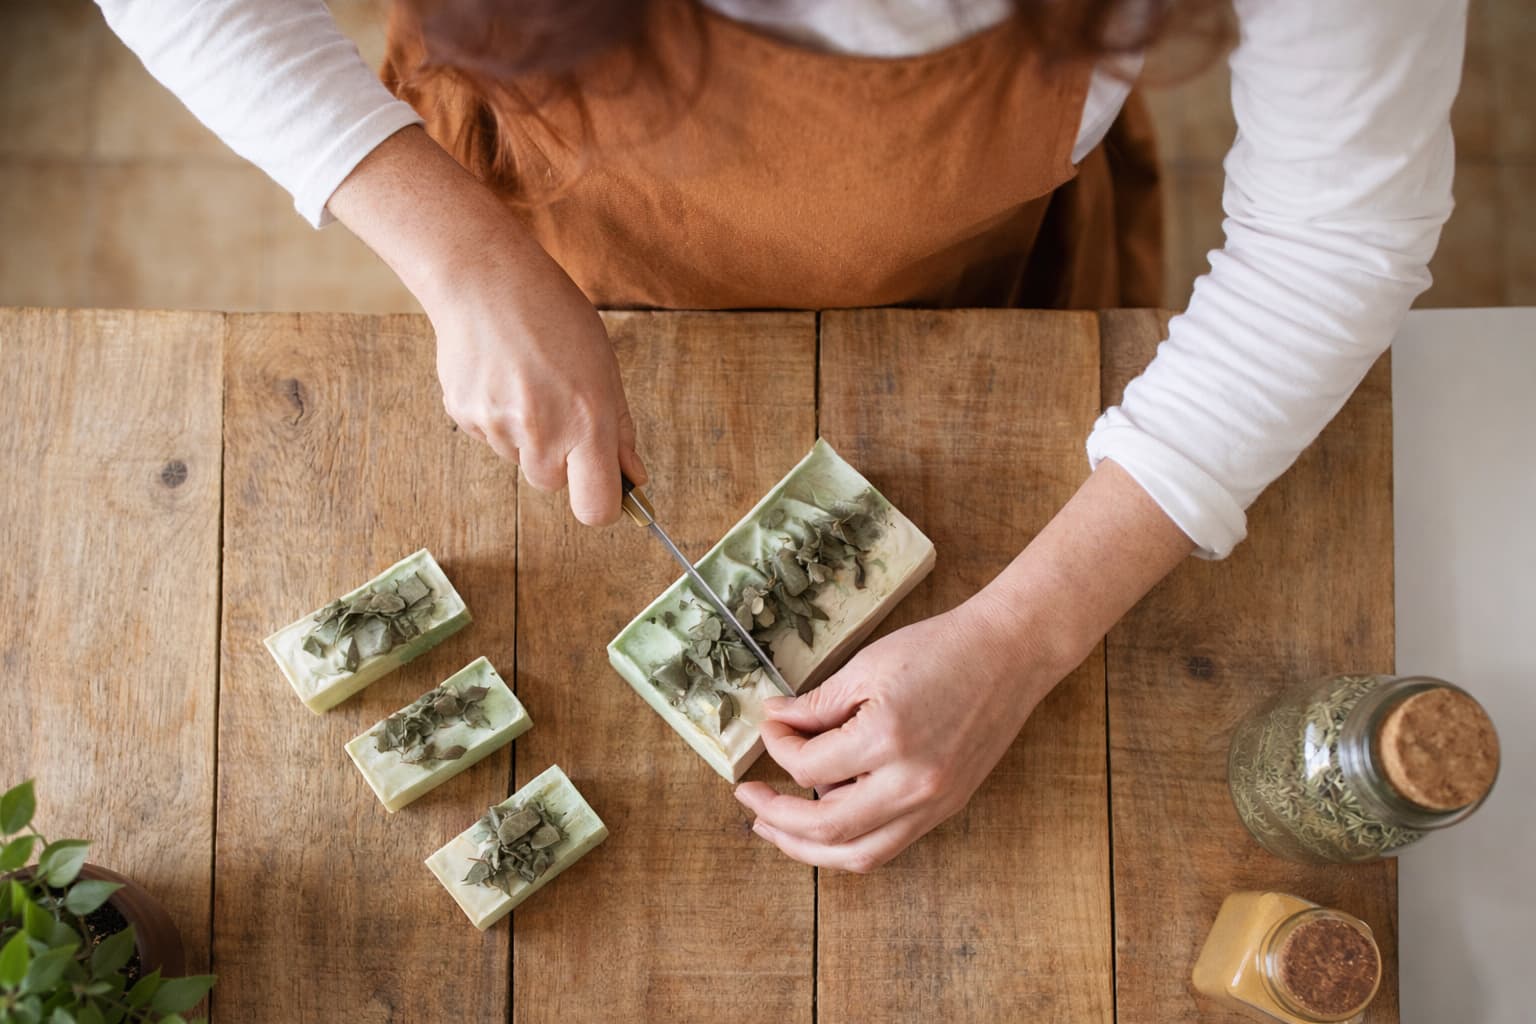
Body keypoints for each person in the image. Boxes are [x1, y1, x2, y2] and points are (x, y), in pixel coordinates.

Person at [96, 0, 1465, 873]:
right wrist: (453, 248)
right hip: (545, 198)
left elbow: (1333, 236)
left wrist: (1025, 634)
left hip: (961, 261)